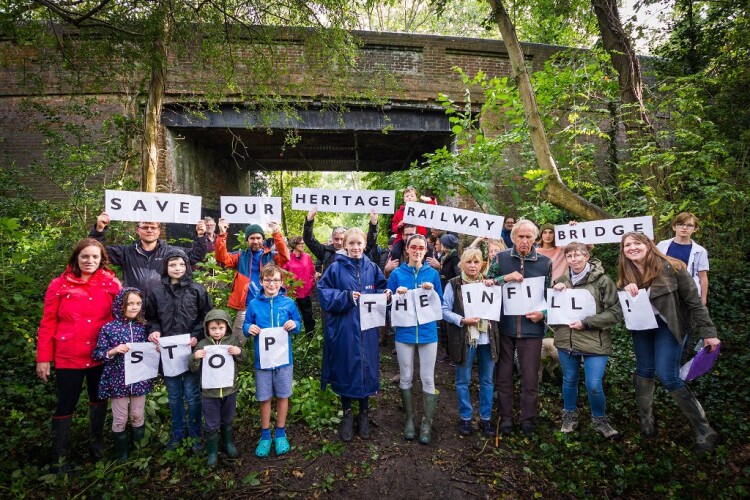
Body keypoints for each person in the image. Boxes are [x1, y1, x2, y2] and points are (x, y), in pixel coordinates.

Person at [618, 232, 720, 453]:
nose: (632, 248)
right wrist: (626, 289)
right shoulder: (627, 269)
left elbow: (695, 303)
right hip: (643, 326)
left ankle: (704, 430)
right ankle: (646, 419)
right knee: (644, 371)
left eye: (637, 243)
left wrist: (708, 333)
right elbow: (624, 302)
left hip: (670, 326)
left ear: (648, 245)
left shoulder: (674, 267)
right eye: (627, 245)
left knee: (667, 375)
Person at [36, 239, 122, 472]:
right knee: (66, 403)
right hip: (69, 355)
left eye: (95, 257)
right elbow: (48, 322)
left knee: (98, 398)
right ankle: (59, 457)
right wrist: (43, 357)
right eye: (85, 256)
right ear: (76, 258)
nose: (90, 261)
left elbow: (121, 318)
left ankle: (96, 444)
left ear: (101, 259)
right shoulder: (59, 284)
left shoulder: (112, 283)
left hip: (100, 354)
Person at [317, 228, 390, 442]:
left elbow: (383, 289)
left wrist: (385, 294)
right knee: (347, 367)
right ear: (345, 245)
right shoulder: (335, 268)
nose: (356, 247)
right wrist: (347, 297)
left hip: (368, 329)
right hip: (344, 328)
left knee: (366, 367)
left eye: (359, 243)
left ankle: (364, 413)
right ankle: (347, 413)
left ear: (365, 244)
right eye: (352, 244)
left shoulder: (372, 267)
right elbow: (323, 292)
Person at [485, 219, 551, 437]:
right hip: (505, 326)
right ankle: (505, 418)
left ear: (535, 238)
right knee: (503, 375)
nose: (524, 241)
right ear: (513, 238)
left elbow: (552, 297)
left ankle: (527, 419)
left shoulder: (545, 262)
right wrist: (505, 278)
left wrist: (544, 314)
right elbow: (486, 282)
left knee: (530, 377)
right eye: (520, 237)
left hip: (532, 329)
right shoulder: (501, 259)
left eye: (528, 237)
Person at [550, 242, 622, 438]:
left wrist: (587, 323)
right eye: (570, 256)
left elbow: (615, 313)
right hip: (567, 341)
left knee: (593, 384)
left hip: (594, 341)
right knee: (569, 380)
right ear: (566, 259)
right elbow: (554, 309)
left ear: (586, 256)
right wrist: (554, 292)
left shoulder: (603, 281)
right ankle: (569, 416)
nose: (574, 259)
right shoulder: (560, 279)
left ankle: (600, 420)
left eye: (578, 255)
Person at [146, 248, 213, 451]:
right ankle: (177, 432)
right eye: (173, 264)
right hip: (167, 353)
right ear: (166, 267)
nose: (177, 268)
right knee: (174, 395)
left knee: (192, 395)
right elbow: (152, 319)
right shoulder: (156, 292)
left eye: (181, 264)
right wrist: (154, 331)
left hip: (191, 352)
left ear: (187, 266)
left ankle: (194, 433)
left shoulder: (197, 290)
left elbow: (207, 318)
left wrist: (197, 336)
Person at [388, 233, 444, 444]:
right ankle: (409, 419)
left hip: (428, 332)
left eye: (421, 248)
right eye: (414, 247)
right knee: (406, 375)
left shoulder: (433, 274)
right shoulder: (397, 274)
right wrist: (396, 294)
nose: (417, 251)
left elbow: (440, 305)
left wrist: (432, 293)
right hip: (405, 332)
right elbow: (388, 303)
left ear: (426, 250)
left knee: (428, 378)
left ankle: (427, 423)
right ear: (407, 249)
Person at [245, 264, 302, 456]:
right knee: (264, 396)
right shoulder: (254, 304)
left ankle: (280, 432)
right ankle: (265, 435)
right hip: (263, 361)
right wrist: (248, 329)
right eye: (268, 280)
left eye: (276, 280)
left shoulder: (288, 303)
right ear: (261, 282)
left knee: (283, 394)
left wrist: (294, 324)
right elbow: (246, 324)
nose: (272, 284)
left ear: (281, 282)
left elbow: (298, 324)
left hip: (284, 359)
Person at [442, 248, 500, 437]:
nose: (472, 266)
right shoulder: (453, 284)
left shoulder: (489, 283)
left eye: (476, 262)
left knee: (487, 380)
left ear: (482, 263)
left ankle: (485, 419)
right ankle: (465, 418)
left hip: (487, 338)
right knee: (463, 380)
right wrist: (462, 320)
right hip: (465, 338)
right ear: (462, 264)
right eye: (469, 262)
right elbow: (444, 310)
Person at [92, 287, 153, 462]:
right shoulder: (109, 328)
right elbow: (97, 353)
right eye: (130, 303)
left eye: (138, 303)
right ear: (121, 305)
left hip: (139, 379)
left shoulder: (144, 327)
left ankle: (138, 450)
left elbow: (150, 352)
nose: (134, 307)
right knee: (120, 417)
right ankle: (122, 454)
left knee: (137, 414)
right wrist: (113, 351)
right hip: (118, 379)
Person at [88, 212, 207, 297]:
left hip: (162, 308)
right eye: (145, 227)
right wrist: (99, 230)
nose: (149, 230)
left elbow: (195, 256)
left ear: (159, 231)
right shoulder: (126, 252)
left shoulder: (170, 252)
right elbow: (98, 252)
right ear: (137, 230)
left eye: (153, 227)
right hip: (134, 307)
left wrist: (201, 236)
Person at [215, 220, 289, 343]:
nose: (255, 241)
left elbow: (285, 256)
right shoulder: (240, 256)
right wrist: (222, 234)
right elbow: (222, 258)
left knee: (271, 339)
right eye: (252, 238)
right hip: (246, 304)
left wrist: (276, 233)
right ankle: (237, 360)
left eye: (258, 238)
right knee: (237, 340)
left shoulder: (271, 256)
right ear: (247, 240)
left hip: (268, 302)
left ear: (263, 239)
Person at [189, 309, 246, 466]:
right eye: (213, 328)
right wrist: (195, 357)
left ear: (226, 327)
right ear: (207, 328)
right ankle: (212, 452)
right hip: (209, 392)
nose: (217, 331)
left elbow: (243, 359)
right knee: (211, 423)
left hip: (229, 390)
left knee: (228, 419)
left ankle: (228, 443)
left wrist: (239, 351)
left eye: (221, 328)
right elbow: (192, 368)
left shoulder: (233, 341)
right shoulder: (202, 344)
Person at [303, 208, 379, 274]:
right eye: (336, 239)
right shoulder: (326, 252)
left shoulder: (355, 251)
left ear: (346, 240)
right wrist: (309, 220)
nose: (339, 242)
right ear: (332, 238)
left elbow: (370, 243)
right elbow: (309, 240)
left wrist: (373, 223)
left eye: (342, 239)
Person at [656, 212, 709, 305]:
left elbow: (703, 277)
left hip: (689, 291)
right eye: (680, 224)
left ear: (695, 229)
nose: (684, 228)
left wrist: (703, 299)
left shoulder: (700, 251)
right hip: (666, 290)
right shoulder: (662, 245)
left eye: (689, 225)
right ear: (674, 227)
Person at [282, 236, 316, 334]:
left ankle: (310, 334)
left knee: (308, 314)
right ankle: (291, 334)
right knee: (290, 314)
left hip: (305, 290)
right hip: (291, 291)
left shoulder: (307, 257)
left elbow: (311, 272)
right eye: (300, 243)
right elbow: (284, 274)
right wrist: (287, 288)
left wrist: (310, 284)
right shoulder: (288, 258)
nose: (302, 245)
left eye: (302, 243)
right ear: (294, 244)